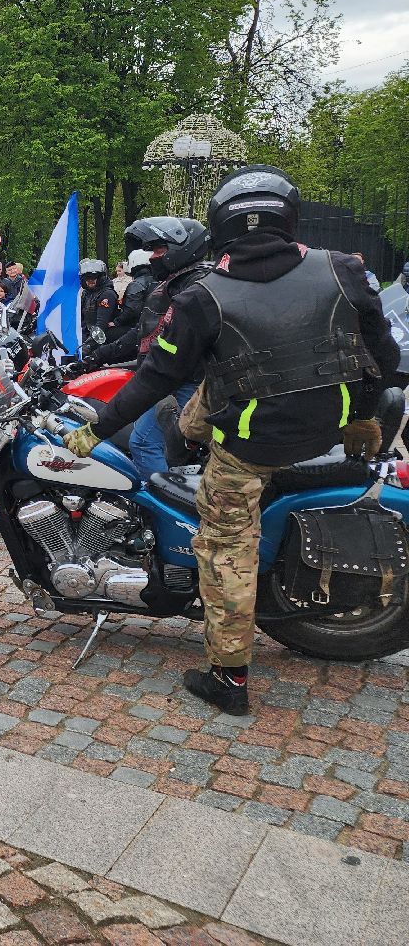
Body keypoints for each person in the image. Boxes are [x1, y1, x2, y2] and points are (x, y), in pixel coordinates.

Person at [65, 166, 399, 715]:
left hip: (250, 447)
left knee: (225, 554)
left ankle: (230, 679)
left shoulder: (202, 296)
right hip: (330, 427)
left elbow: (156, 378)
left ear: (222, 228)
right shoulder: (344, 270)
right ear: (287, 217)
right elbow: (382, 357)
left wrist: (94, 428)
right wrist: (363, 417)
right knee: (202, 411)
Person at [84, 217, 213, 477]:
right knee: (149, 443)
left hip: (189, 382)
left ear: (183, 248)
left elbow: (172, 352)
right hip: (171, 379)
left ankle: (170, 507)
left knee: (152, 443)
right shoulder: (168, 286)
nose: (153, 257)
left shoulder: (198, 287)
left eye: (159, 250)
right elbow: (142, 333)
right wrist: (98, 356)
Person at [105, 248, 155, 341]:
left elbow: (131, 311)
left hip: (139, 327)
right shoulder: (156, 280)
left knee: (107, 335)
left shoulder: (136, 284)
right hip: (154, 325)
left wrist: (116, 322)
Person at [78, 259, 118, 342]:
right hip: (88, 333)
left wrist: (87, 345)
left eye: (94, 277)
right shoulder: (86, 293)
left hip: (103, 337)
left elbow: (101, 324)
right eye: (87, 277)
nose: (90, 280)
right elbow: (81, 318)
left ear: (100, 277)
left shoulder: (107, 294)